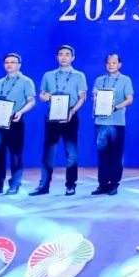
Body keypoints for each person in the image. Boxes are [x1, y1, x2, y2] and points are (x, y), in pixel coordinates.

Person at [33, 45, 88, 196]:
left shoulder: (79, 76)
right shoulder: (48, 75)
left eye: (67, 54)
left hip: (70, 115)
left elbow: (82, 97)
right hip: (52, 116)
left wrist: (72, 111)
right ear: (57, 57)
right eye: (61, 54)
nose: (63, 57)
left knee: (71, 153)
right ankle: (43, 185)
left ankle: (70, 185)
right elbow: (42, 95)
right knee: (48, 153)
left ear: (72, 57)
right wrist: (44, 97)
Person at [0, 53, 35, 195]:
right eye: (7, 62)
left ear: (19, 65)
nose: (9, 64)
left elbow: (31, 101)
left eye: (13, 62)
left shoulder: (26, 81)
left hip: (15, 120)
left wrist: (21, 112)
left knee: (15, 154)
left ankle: (15, 184)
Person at [93, 53, 135, 195]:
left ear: (119, 65)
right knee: (102, 155)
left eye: (114, 63)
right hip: (100, 122)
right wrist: (95, 97)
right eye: (108, 63)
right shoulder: (99, 80)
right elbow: (95, 98)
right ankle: (102, 184)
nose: (111, 65)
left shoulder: (125, 80)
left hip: (117, 123)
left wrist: (115, 107)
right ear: (105, 64)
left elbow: (129, 99)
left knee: (116, 155)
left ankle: (114, 184)